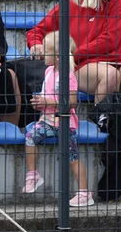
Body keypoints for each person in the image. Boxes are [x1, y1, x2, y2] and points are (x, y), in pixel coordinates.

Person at [23, 31, 94, 207]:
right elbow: (46, 94)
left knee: (72, 158)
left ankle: (85, 193)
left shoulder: (68, 76)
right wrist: (40, 102)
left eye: (46, 51)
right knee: (30, 136)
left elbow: (71, 102)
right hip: (47, 120)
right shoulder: (48, 71)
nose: (43, 54)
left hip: (65, 123)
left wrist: (47, 101)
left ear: (56, 56)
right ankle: (33, 174)